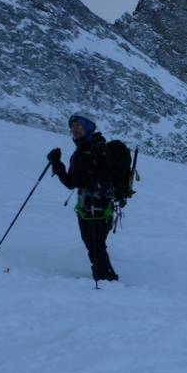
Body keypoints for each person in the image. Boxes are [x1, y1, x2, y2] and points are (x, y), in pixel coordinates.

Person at [47, 114, 119, 282]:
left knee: (95, 244)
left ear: (88, 127)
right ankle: (105, 277)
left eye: (79, 126)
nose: (75, 130)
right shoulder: (79, 152)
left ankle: (106, 278)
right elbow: (72, 183)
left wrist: (98, 171)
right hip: (86, 205)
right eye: (72, 128)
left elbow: (107, 176)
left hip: (99, 204)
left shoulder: (100, 148)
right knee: (92, 243)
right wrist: (56, 163)